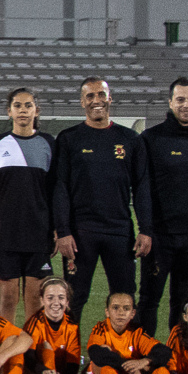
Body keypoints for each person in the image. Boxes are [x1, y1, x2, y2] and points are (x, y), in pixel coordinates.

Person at [51, 78, 152, 329]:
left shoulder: (130, 139)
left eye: (101, 95)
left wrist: (146, 229)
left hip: (119, 231)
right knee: (74, 298)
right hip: (80, 233)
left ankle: (125, 358)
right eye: (90, 96)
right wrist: (62, 232)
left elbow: (142, 188)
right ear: (81, 102)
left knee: (125, 299)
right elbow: (59, 188)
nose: (96, 101)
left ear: (110, 98)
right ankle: (70, 359)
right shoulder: (68, 139)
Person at [138, 77, 188, 336]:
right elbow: (141, 189)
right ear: (170, 102)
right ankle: (144, 357)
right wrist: (145, 229)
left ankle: (177, 357)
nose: (186, 105)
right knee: (149, 299)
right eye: (180, 99)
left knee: (183, 303)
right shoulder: (151, 138)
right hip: (160, 236)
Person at [0, 87, 55, 322]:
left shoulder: (48, 143)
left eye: (28, 105)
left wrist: (58, 227)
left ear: (36, 110)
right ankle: (7, 353)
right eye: (18, 106)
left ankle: (30, 354)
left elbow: (56, 189)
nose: (23, 110)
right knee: (8, 300)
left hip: (39, 232)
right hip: (5, 233)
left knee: (34, 301)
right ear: (9, 111)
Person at [85, 291, 184, 374]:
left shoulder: (136, 332)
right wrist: (128, 366)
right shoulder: (101, 329)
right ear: (107, 312)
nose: (121, 312)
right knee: (103, 363)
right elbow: (96, 353)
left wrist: (144, 361)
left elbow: (163, 351)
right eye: (115, 308)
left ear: (132, 314)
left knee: (159, 366)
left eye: (126, 309)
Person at [22, 277, 91, 374]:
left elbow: (73, 365)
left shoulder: (72, 326)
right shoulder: (35, 323)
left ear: (67, 301)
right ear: (42, 300)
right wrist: (46, 373)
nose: (56, 302)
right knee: (46, 346)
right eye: (50, 298)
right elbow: (29, 359)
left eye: (61, 297)